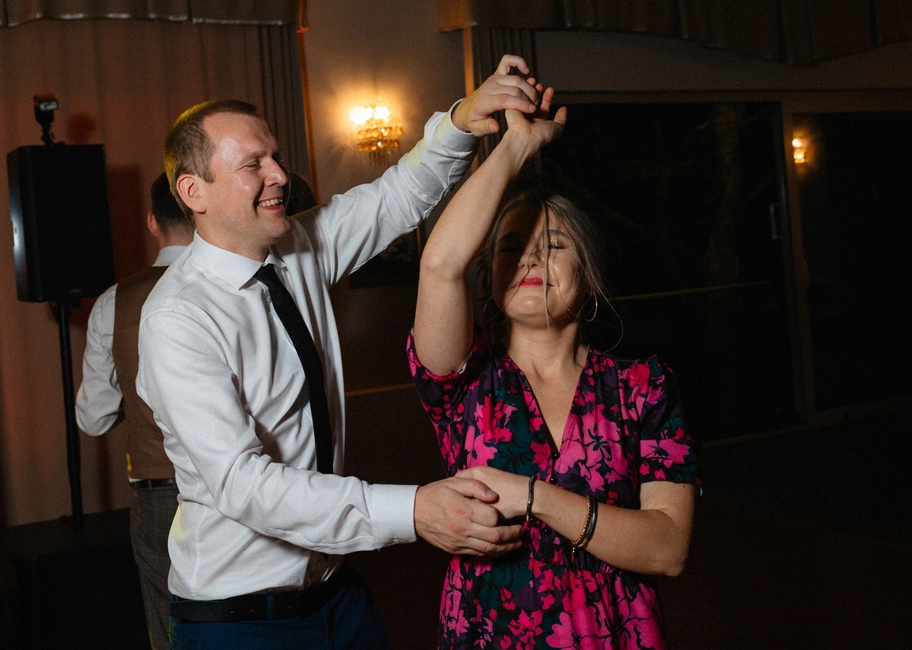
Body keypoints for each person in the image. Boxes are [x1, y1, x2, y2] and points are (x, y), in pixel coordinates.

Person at [135, 57, 544, 649]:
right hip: (238, 617)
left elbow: (397, 195)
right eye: (253, 164)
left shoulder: (299, 244)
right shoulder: (177, 317)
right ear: (193, 191)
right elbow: (243, 484)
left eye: (275, 156)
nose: (280, 175)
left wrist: (462, 120)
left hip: (334, 588)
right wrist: (415, 511)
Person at [409, 85, 701, 649]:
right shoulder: (464, 384)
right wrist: (515, 146)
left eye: (557, 244)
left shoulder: (642, 387)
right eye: (510, 247)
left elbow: (668, 549)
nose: (532, 256)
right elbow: (440, 265)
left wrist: (534, 496)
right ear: (490, 278)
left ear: (588, 276)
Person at [76, 173, 193, 650]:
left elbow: (94, 417)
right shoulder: (240, 281)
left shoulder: (114, 302)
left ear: (152, 222)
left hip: (161, 492)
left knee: (171, 626)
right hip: (244, 483)